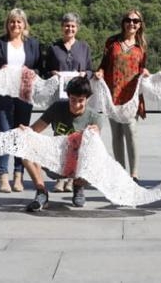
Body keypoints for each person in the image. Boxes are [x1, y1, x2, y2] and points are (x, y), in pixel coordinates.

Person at [20, 76, 105, 212]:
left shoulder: (95, 117)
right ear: (68, 96)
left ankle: (78, 186)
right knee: (24, 148)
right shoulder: (57, 107)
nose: (76, 105)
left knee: (96, 159)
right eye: (72, 100)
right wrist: (25, 131)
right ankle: (41, 192)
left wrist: (95, 133)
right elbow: (35, 130)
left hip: (78, 164)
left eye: (81, 101)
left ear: (87, 99)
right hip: (57, 161)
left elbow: (95, 149)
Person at [0, 8, 41, 193]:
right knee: (4, 133)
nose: (15, 25)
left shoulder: (33, 44)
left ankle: (18, 175)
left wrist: (33, 72)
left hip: (24, 94)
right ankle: (3, 175)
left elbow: (40, 68)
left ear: (24, 24)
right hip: (2, 94)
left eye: (19, 22)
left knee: (21, 133)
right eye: (12, 21)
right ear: (7, 24)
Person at [40, 12, 94, 193]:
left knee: (77, 138)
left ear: (77, 28)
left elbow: (90, 71)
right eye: (66, 25)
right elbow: (45, 71)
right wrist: (53, 74)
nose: (69, 29)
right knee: (60, 135)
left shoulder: (84, 47)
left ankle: (72, 178)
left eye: (73, 26)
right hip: (60, 99)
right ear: (61, 27)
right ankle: (61, 176)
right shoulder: (54, 48)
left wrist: (84, 75)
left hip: (78, 101)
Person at [96, 8, 150, 184]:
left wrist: (146, 72)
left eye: (135, 21)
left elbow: (142, 67)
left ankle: (134, 175)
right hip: (112, 94)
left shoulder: (141, 46)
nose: (132, 23)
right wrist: (100, 72)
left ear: (140, 24)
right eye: (128, 20)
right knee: (117, 135)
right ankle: (120, 173)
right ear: (123, 22)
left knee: (131, 132)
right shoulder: (112, 42)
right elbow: (103, 64)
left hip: (131, 96)